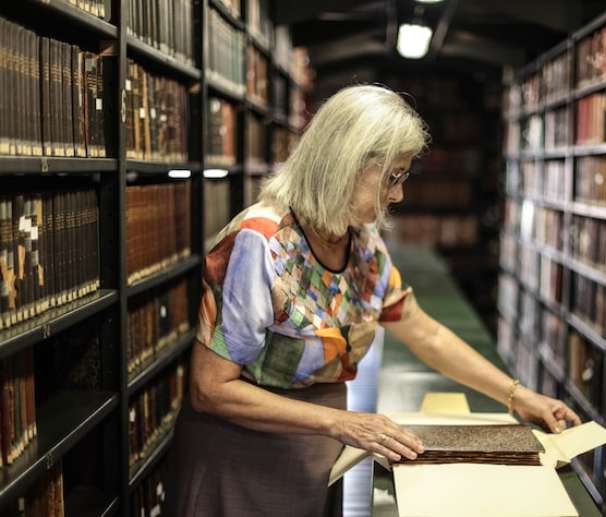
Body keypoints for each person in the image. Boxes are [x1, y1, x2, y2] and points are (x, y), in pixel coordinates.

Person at [167, 84, 581, 517]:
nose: (398, 194)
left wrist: (519, 397)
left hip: (317, 451)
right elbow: (210, 389)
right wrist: (341, 422)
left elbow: (426, 334)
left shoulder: (360, 242)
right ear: (346, 163)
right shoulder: (260, 243)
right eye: (392, 176)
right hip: (242, 458)